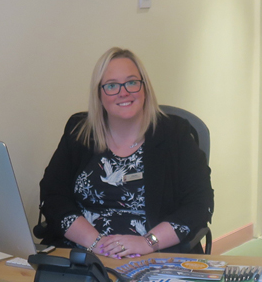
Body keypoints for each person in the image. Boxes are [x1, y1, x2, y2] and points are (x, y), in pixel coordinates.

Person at [39, 47, 213, 259]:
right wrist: (95, 242)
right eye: (112, 86)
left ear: (144, 87)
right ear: (99, 94)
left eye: (131, 82)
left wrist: (147, 243)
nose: (124, 92)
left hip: (154, 257)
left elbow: (199, 204)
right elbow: (53, 196)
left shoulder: (176, 134)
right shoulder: (79, 133)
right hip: (83, 255)